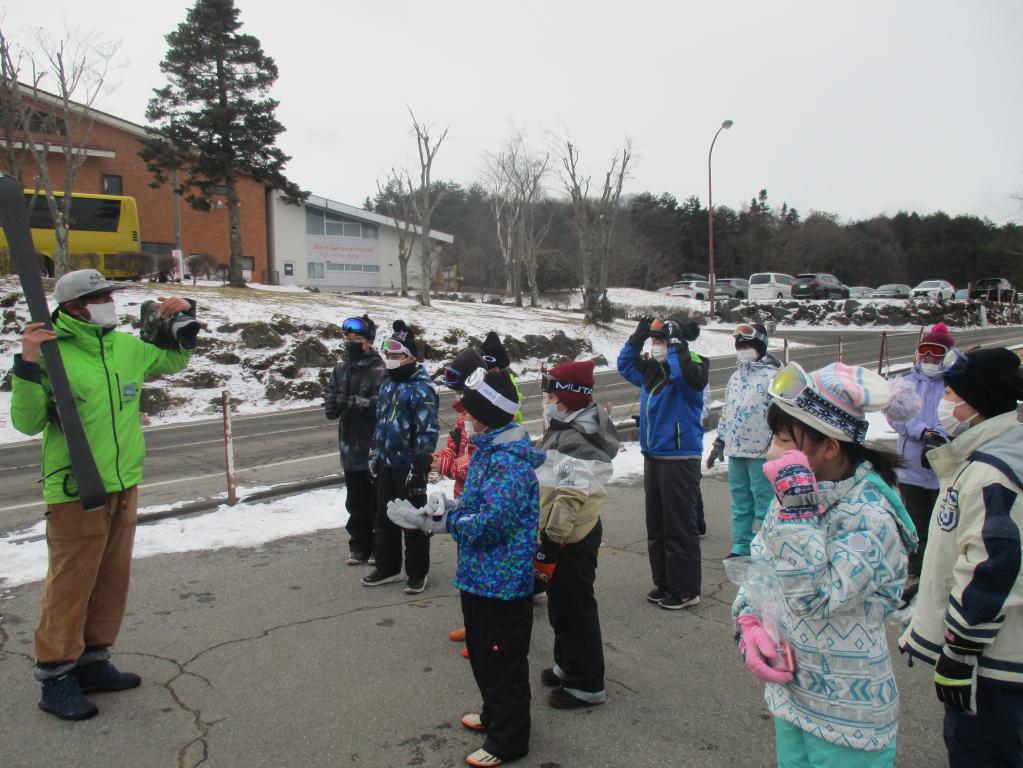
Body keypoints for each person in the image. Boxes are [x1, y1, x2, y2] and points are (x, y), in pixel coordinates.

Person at [10, 269, 195, 721]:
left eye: (110, 293)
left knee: (111, 580)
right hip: (76, 488)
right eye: (99, 296)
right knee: (70, 585)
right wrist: (28, 363)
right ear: (73, 307)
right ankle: (55, 675)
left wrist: (187, 317)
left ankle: (93, 661)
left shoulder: (125, 348)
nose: (109, 301)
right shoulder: (53, 352)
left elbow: (173, 363)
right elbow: (27, 422)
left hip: (124, 482)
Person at [732, 361, 916, 768]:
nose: (770, 450)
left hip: (848, 712)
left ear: (830, 447)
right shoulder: (798, 496)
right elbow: (761, 565)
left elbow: (814, 597)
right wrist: (748, 622)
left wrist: (799, 513)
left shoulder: (871, 515)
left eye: (783, 439)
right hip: (793, 693)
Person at [387, 367, 544, 767]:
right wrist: (447, 506)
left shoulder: (507, 461)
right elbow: (478, 508)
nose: (466, 420)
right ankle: (495, 716)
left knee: (502, 659)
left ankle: (509, 739)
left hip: (502, 581)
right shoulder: (490, 450)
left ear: (488, 415)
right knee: (482, 652)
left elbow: (493, 523)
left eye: (471, 413)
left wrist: (442, 523)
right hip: (480, 575)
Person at [898, 347, 1023, 768]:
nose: (945, 404)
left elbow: (992, 569)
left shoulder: (993, 472)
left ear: (979, 402)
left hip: (993, 667)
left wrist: (958, 649)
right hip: (998, 658)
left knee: (982, 752)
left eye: (951, 394)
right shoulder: (986, 455)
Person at [534, 360, 618, 709]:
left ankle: (587, 683)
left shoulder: (578, 436)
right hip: (562, 529)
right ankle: (568, 663)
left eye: (553, 392)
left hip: (571, 533)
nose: (548, 399)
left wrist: (552, 541)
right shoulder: (564, 424)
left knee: (575, 606)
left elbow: (571, 496)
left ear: (570, 395)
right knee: (561, 603)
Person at [617, 316, 709, 609]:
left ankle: (685, 589)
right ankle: (665, 582)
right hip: (653, 453)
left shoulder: (694, 366)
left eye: (661, 341)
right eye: (655, 342)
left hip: (680, 455)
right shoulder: (652, 370)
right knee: (656, 524)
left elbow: (684, 377)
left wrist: (676, 343)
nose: (657, 347)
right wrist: (637, 337)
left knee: (679, 526)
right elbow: (625, 365)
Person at [362, 320, 439, 594]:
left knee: (413, 519)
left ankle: (417, 572)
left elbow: (428, 430)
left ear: (410, 357)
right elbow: (380, 422)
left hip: (408, 466)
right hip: (386, 462)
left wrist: (420, 465)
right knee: (383, 517)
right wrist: (374, 453)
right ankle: (388, 567)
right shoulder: (387, 385)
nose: (389, 360)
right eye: (388, 355)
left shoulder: (422, 388)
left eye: (395, 355)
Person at [885, 322, 955, 582]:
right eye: (924, 349)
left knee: (942, 520)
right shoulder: (906, 383)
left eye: (935, 351)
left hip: (943, 464)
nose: (927, 357)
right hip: (912, 466)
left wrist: (938, 435)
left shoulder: (952, 383)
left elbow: (953, 414)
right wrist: (922, 432)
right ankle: (915, 566)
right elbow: (896, 416)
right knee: (915, 519)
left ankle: (938, 567)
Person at [706, 323, 783, 558]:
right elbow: (728, 411)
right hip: (736, 449)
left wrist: (779, 447)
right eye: (739, 346)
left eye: (747, 345)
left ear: (760, 347)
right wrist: (720, 441)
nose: (742, 349)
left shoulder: (775, 377)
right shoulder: (735, 378)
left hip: (763, 452)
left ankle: (770, 546)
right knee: (740, 502)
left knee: (765, 502)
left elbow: (782, 416)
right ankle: (741, 546)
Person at [432, 347, 486, 652]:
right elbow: (454, 442)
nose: (457, 394)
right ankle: (473, 623)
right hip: (464, 500)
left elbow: (480, 461)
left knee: (482, 572)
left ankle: (485, 632)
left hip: (483, 503)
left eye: (459, 387)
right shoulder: (464, 413)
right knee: (466, 568)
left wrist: (446, 466)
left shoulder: (490, 413)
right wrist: (440, 457)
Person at [323, 314, 385, 566]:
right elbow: (331, 404)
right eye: (348, 338)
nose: (350, 343)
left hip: (372, 449)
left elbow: (383, 404)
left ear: (369, 342)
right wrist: (332, 403)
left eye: (357, 339)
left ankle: (378, 547)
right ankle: (358, 544)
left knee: (375, 503)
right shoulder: (340, 370)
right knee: (355, 502)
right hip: (349, 449)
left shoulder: (381, 369)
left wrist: (351, 402)